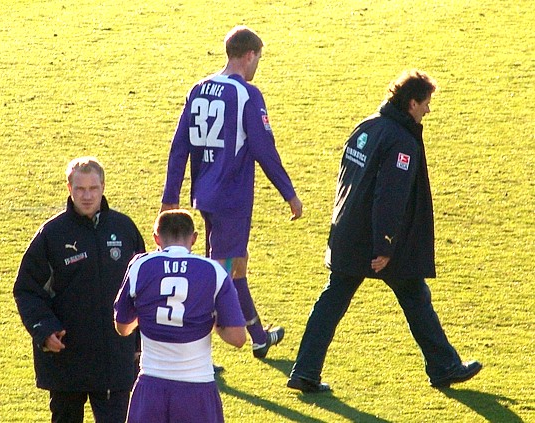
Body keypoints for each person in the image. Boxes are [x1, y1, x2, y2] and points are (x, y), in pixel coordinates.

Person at [287, 70, 482, 393]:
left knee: (335, 300)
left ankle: (304, 371)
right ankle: (444, 367)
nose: (428, 110)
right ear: (411, 103)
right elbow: (390, 197)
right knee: (414, 296)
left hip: (347, 232)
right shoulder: (401, 141)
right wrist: (385, 246)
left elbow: (346, 182)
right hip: (374, 240)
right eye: (426, 103)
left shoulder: (367, 126)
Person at [160, 25, 303, 359]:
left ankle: (259, 337)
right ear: (250, 55)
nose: (257, 66)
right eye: (259, 58)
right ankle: (189, 350)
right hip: (232, 198)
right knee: (217, 279)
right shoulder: (246, 94)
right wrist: (289, 193)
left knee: (237, 263)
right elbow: (264, 149)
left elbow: (179, 146)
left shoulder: (199, 89)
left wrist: (171, 196)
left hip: (206, 194)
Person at [13, 157, 146, 422]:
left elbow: (142, 290)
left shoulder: (124, 229)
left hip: (114, 360)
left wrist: (139, 342)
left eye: (93, 188)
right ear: (69, 188)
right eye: (80, 189)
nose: (87, 196)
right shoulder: (52, 234)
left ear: (103, 187)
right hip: (66, 359)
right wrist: (44, 330)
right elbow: (27, 290)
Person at [114, 209, 246, 422]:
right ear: (194, 238)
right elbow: (237, 338)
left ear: (156, 238)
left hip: (151, 384)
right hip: (197, 386)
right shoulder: (213, 271)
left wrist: (147, 315)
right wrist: (212, 322)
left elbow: (122, 327)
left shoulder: (140, 265)